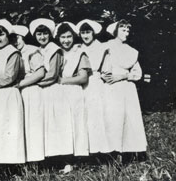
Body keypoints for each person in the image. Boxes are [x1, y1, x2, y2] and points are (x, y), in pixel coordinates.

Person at [102, 20, 147, 153]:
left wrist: (122, 76)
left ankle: (126, 151)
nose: (126, 33)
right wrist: (107, 76)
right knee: (112, 118)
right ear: (115, 31)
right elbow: (103, 68)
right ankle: (112, 153)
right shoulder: (107, 47)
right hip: (111, 87)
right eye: (123, 30)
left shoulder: (131, 51)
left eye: (128, 31)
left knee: (128, 118)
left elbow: (137, 73)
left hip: (127, 88)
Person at [0, 19, 25, 164]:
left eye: (1, 34)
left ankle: (11, 163)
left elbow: (9, 76)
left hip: (7, 94)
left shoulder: (13, 52)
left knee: (8, 127)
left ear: (8, 35)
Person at [29, 18, 65, 157]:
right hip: (42, 90)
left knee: (56, 124)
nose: (42, 37)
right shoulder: (38, 50)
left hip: (52, 89)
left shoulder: (54, 49)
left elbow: (52, 74)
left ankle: (64, 159)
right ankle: (48, 158)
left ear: (49, 34)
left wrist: (34, 82)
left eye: (45, 34)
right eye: (39, 34)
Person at [54, 22, 91, 157]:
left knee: (77, 124)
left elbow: (83, 78)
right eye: (63, 37)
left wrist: (62, 80)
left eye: (69, 37)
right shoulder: (57, 52)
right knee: (63, 125)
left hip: (74, 91)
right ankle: (65, 156)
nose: (66, 40)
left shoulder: (79, 52)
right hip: (59, 93)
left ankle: (78, 157)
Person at [12, 25, 46, 162]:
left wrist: (20, 84)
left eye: (17, 38)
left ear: (22, 37)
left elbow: (40, 72)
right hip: (17, 91)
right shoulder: (11, 52)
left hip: (30, 89)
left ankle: (36, 160)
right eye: (12, 39)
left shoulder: (32, 51)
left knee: (33, 124)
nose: (15, 42)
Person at [76, 19, 110, 154]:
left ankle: (101, 151)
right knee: (84, 117)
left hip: (95, 83)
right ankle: (87, 151)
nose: (85, 36)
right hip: (81, 83)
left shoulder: (102, 47)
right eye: (83, 32)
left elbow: (107, 68)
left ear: (93, 33)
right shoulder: (78, 48)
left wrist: (103, 76)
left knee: (97, 116)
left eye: (88, 32)